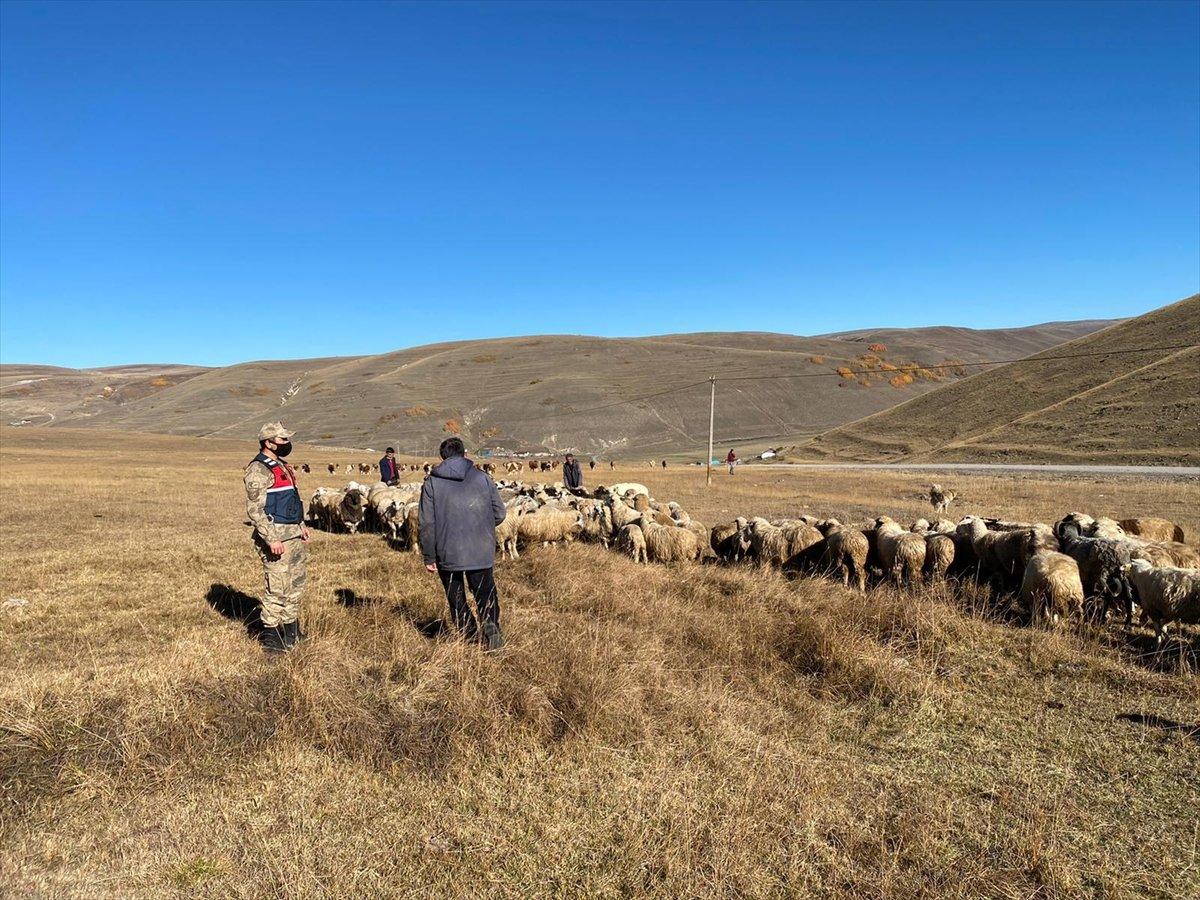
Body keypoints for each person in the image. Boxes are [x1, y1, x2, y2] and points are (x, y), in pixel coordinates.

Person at [419, 437, 508, 650]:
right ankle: (490, 625)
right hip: (480, 547)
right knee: (485, 592)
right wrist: (483, 527)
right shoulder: (483, 478)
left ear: (442, 457)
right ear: (465, 454)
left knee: (456, 597)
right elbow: (500, 512)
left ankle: (469, 638)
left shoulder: (432, 482)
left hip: (447, 551)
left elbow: (427, 523)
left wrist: (429, 556)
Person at [244, 422, 309, 652]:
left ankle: (292, 632)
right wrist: (271, 539)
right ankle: (271, 638)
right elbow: (255, 510)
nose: (286, 443)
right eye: (282, 440)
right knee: (277, 588)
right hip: (276, 539)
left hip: (293, 535)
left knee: (296, 584)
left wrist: (301, 525)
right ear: (268, 442)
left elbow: (291, 500)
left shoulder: (282, 466)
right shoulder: (258, 470)